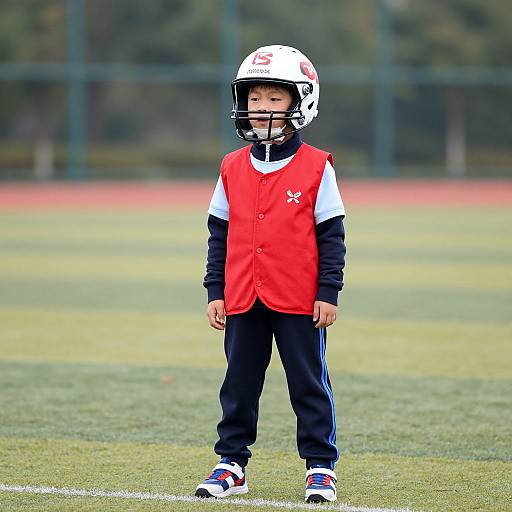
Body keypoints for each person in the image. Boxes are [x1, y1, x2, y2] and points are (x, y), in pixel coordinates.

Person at [195, 45, 346, 503]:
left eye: (274, 99)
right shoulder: (230, 166)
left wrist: (328, 291)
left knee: (308, 383)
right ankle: (231, 464)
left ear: (301, 101)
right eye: (254, 98)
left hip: (299, 299)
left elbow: (332, 236)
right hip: (242, 297)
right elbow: (218, 234)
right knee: (238, 383)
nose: (261, 109)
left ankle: (320, 467)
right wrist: (214, 289)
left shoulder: (318, 166)